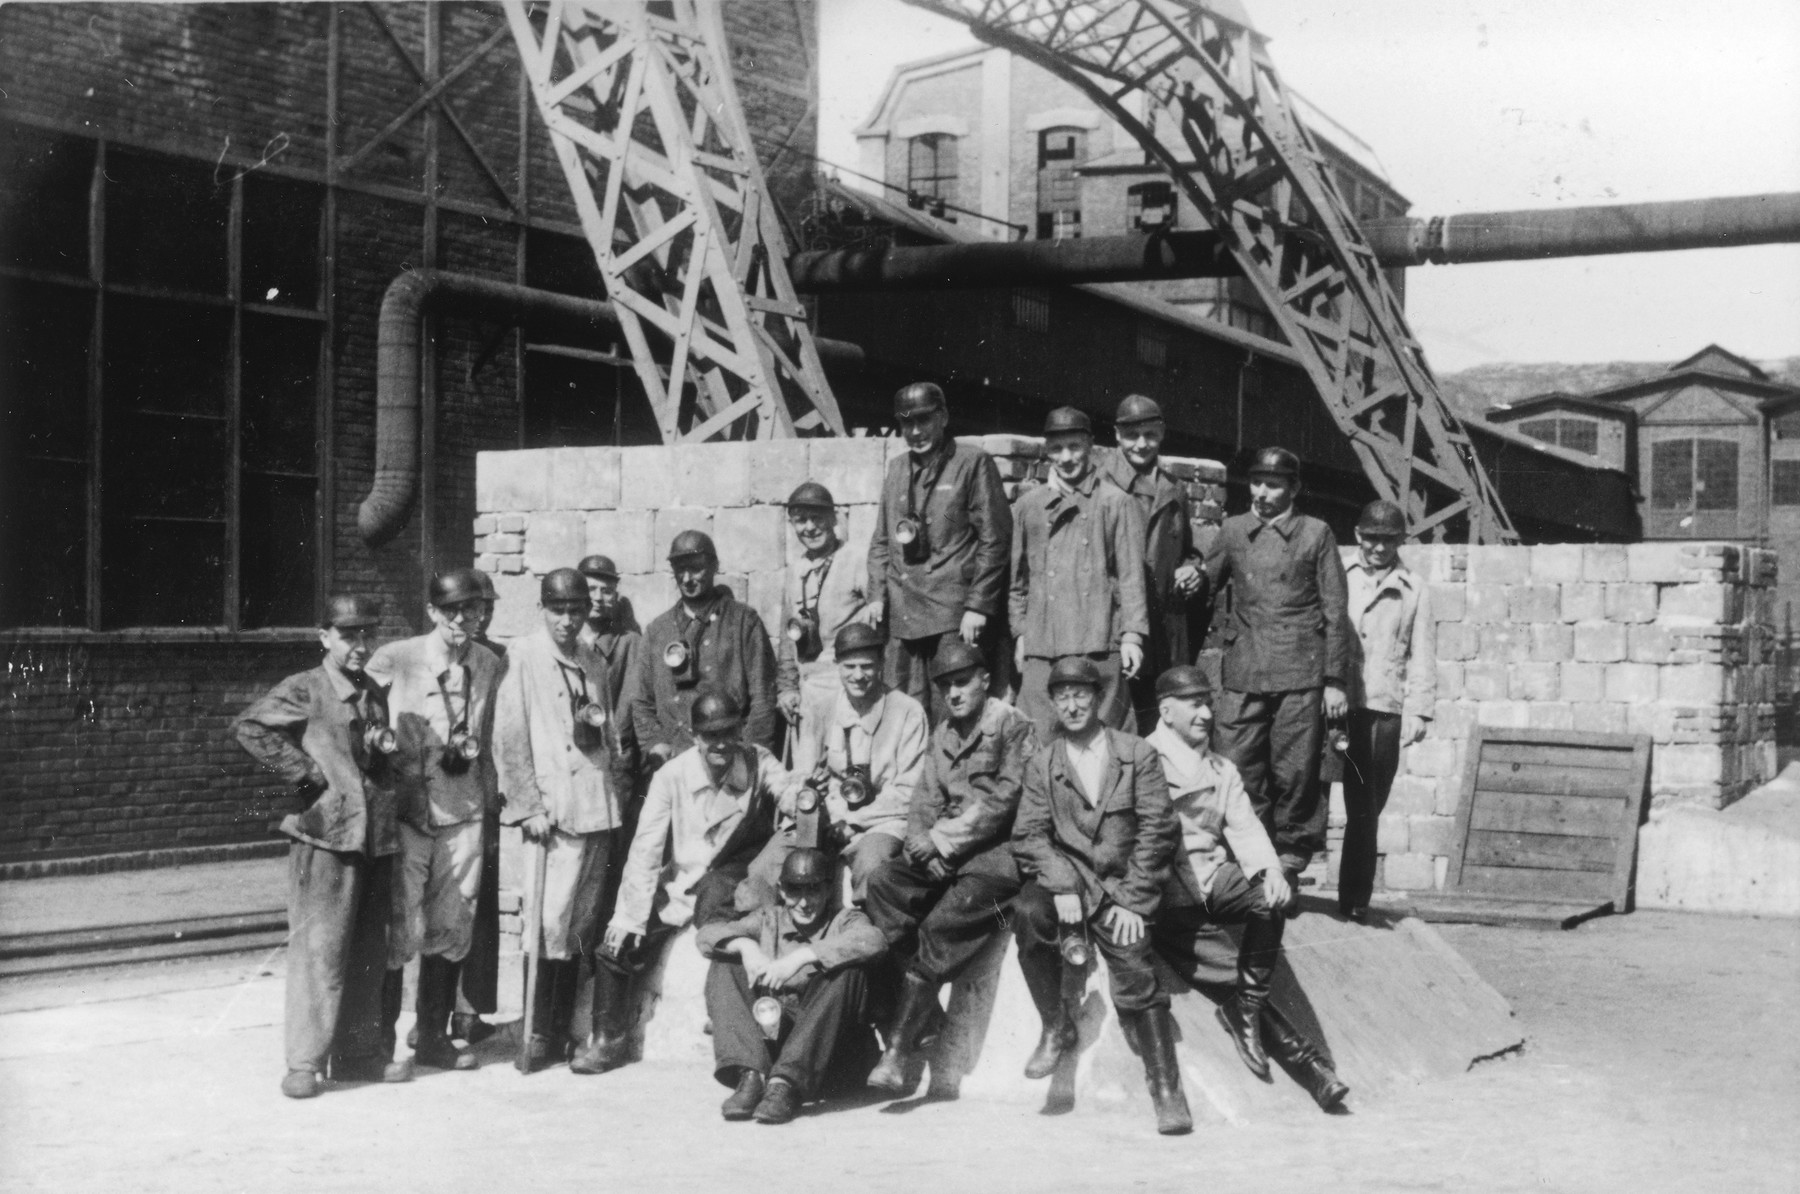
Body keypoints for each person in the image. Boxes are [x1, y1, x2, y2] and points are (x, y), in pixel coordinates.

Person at [1144, 665, 1349, 1111]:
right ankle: (1312, 1069)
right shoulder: (1143, 760)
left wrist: (1269, 872)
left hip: (1211, 881)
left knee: (1271, 897)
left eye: (1207, 703)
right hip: (1168, 898)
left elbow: (1246, 829)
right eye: (1194, 704)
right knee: (1230, 977)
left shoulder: (1221, 768)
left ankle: (1248, 1009)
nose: (1205, 714)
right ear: (1166, 710)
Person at [234, 595, 410, 1098]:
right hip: (327, 837)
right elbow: (249, 727)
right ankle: (304, 1064)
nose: (359, 645)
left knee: (368, 951)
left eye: (365, 635)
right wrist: (306, 773)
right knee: (319, 953)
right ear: (324, 637)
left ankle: (356, 1056)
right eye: (349, 635)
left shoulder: (373, 690)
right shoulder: (306, 688)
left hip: (372, 837)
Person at [1010, 657, 1191, 1135]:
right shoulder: (1043, 763)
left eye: (1081, 695)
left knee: (1135, 970)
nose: (1072, 705)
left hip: (1119, 889)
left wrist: (1133, 900)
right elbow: (1028, 835)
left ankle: (1167, 1091)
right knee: (1028, 914)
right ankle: (1055, 1024)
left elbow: (1159, 830)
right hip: (1068, 884)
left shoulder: (1135, 754)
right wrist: (1061, 882)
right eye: (1062, 697)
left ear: (1099, 697)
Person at [579, 689, 796, 1075]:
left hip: (735, 870)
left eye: (729, 732)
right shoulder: (671, 777)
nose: (721, 743)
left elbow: (787, 789)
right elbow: (645, 849)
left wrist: (801, 799)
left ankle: (737, 1015)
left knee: (719, 908)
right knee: (617, 944)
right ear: (695, 736)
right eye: (711, 735)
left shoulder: (757, 761)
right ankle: (606, 1040)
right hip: (683, 880)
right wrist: (629, 917)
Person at [862, 640, 1036, 1097]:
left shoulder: (1012, 727)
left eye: (962, 682)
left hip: (999, 863)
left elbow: (1003, 801)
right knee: (882, 884)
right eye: (945, 687)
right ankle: (927, 1019)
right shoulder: (944, 734)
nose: (954, 694)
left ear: (984, 679)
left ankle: (898, 1050)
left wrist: (942, 841)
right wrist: (925, 850)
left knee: (939, 926)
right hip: (947, 854)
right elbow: (924, 798)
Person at [366, 568, 503, 1073]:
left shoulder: (489, 663)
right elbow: (360, 715)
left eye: (473, 608)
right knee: (401, 928)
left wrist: (492, 809)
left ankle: (434, 1038)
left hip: (463, 811)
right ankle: (380, 1044)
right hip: (409, 815)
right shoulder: (395, 659)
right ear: (432, 612)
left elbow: (492, 737)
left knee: (453, 923)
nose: (463, 618)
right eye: (452, 610)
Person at [1201, 446, 1351, 894]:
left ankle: (1288, 864)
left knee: (1295, 772)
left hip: (1300, 673)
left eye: (1274, 485)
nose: (1262, 494)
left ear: (1293, 489)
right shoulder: (1232, 531)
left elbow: (1335, 610)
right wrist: (1189, 575)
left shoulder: (1315, 533)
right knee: (1239, 766)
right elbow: (1205, 587)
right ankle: (1251, 863)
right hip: (1244, 669)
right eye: (1256, 483)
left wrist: (1335, 680)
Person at [494, 568, 625, 1069]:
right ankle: (537, 1032)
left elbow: (605, 730)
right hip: (552, 811)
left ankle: (564, 1026)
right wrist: (526, 804)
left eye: (576, 611)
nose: (568, 621)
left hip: (594, 806)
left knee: (578, 925)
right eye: (559, 611)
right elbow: (509, 737)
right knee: (547, 922)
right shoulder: (524, 656)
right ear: (542, 610)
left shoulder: (592, 659)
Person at [697, 847, 888, 1124]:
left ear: (828, 890)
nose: (804, 902)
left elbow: (873, 940)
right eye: (794, 891)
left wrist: (803, 957)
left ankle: (785, 1084)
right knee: (726, 961)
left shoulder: (844, 920)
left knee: (849, 971)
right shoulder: (768, 919)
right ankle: (751, 1077)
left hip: (830, 1057)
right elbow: (707, 935)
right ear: (782, 891)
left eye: (813, 890)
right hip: (777, 1045)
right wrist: (746, 946)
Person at [866, 381, 1012, 724]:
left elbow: (995, 539)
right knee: (904, 710)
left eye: (924, 420)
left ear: (943, 417)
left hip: (953, 614)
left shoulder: (972, 462)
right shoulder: (897, 468)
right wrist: (876, 595)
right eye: (906, 423)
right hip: (905, 614)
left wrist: (978, 605)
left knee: (953, 709)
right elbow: (881, 540)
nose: (915, 432)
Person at [1010, 406, 1150, 737]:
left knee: (1106, 736)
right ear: (1046, 451)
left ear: (1090, 446)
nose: (1067, 457)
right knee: (1038, 736)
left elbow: (1131, 577)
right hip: (1043, 642)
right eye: (1057, 449)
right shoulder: (1029, 505)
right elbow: (1018, 581)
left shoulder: (1115, 502)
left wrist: (1132, 636)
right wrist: (1020, 634)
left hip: (1098, 638)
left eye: (1074, 447)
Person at [1339, 500, 1435, 921]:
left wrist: (1419, 711)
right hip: (1335, 703)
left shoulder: (1415, 588)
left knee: (1366, 806)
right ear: (1358, 535)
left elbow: (1423, 655)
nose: (1378, 548)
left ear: (1401, 541)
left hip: (1382, 708)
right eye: (1371, 538)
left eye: (1388, 540)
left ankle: (1355, 898)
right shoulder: (1337, 574)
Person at [793, 622, 927, 898]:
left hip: (884, 821)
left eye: (866, 666)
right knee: (777, 863)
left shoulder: (907, 712)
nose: (858, 676)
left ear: (881, 665)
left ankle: (866, 936)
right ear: (837, 666)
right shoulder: (821, 710)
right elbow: (803, 776)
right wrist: (825, 808)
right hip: (830, 817)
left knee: (872, 867)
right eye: (849, 667)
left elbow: (908, 790)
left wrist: (854, 820)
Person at [1099, 395, 1205, 731]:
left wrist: (1192, 567)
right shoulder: (1099, 483)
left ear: (1161, 433)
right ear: (1117, 435)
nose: (1141, 444)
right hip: (1116, 626)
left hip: (1164, 632)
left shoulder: (1174, 490)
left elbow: (1185, 548)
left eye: (1150, 434)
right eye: (1132, 435)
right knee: (1115, 724)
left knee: (1159, 726)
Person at [634, 530, 779, 762]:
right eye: (680, 569)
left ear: (714, 566)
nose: (687, 578)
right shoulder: (657, 631)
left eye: (696, 568)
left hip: (730, 753)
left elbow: (763, 696)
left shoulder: (743, 621)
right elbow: (642, 702)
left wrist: (751, 754)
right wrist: (656, 744)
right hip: (676, 760)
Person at [577, 553, 650, 931]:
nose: (600, 598)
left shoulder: (628, 644)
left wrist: (615, 759)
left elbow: (628, 708)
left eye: (608, 590)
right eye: (592, 589)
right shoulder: (567, 643)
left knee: (605, 863)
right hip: (572, 772)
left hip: (611, 767)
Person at [776, 482, 872, 739]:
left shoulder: (856, 559)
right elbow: (787, 639)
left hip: (848, 689)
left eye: (817, 518)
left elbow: (881, 621)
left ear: (832, 518)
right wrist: (787, 688)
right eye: (800, 520)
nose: (809, 527)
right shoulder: (795, 571)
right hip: (807, 693)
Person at [456, 567, 504, 1047]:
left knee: (480, 906)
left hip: (487, 796)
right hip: (448, 799)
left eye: (487, 607)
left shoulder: (498, 661)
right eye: (473, 607)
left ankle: (468, 1014)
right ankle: (430, 1013)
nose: (480, 616)